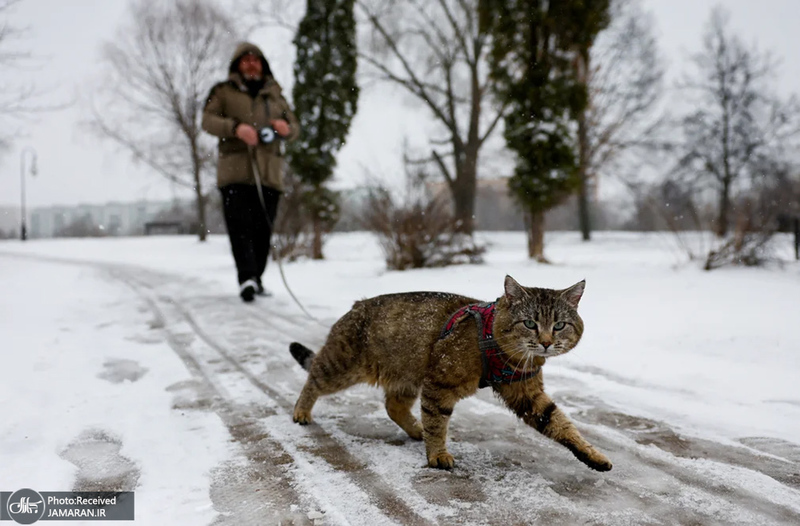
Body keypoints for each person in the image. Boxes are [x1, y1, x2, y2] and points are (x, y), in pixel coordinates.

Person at [202, 42, 300, 302]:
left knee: (262, 230)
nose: (251, 63)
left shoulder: (276, 96)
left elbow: (295, 127)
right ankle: (246, 278)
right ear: (237, 65)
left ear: (263, 64)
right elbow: (207, 120)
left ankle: (257, 276)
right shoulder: (223, 92)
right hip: (235, 172)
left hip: (269, 174)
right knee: (240, 228)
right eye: (245, 60)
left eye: (255, 59)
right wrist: (235, 128)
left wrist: (285, 128)